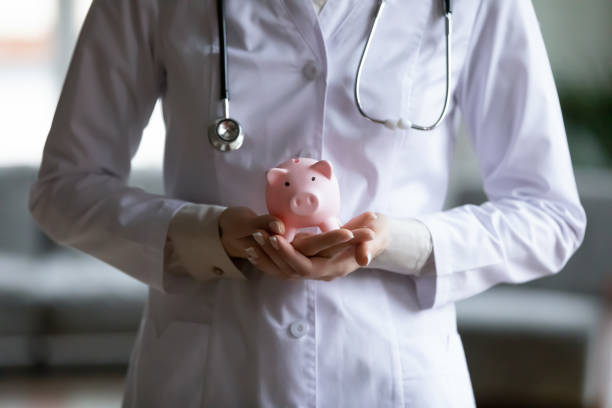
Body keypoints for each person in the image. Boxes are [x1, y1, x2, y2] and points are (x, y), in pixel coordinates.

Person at [29, 0, 586, 406]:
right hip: (208, 378)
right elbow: (64, 188)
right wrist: (206, 236)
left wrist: (397, 243)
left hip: (396, 381)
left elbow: (549, 214)